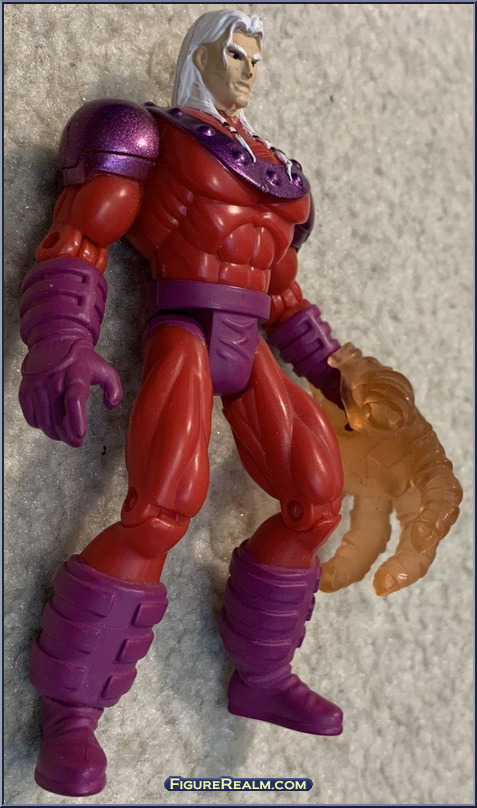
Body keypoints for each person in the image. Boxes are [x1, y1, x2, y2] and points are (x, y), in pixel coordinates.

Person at [18, 9, 461, 798]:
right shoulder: (146, 136)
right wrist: (62, 339)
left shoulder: (279, 176)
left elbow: (285, 297)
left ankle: (262, 675)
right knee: (160, 511)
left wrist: (341, 379)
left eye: (256, 56)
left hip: (249, 341)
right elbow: (81, 236)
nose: (248, 69)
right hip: (184, 330)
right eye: (233, 53)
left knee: (316, 499)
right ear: (199, 56)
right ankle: (72, 711)